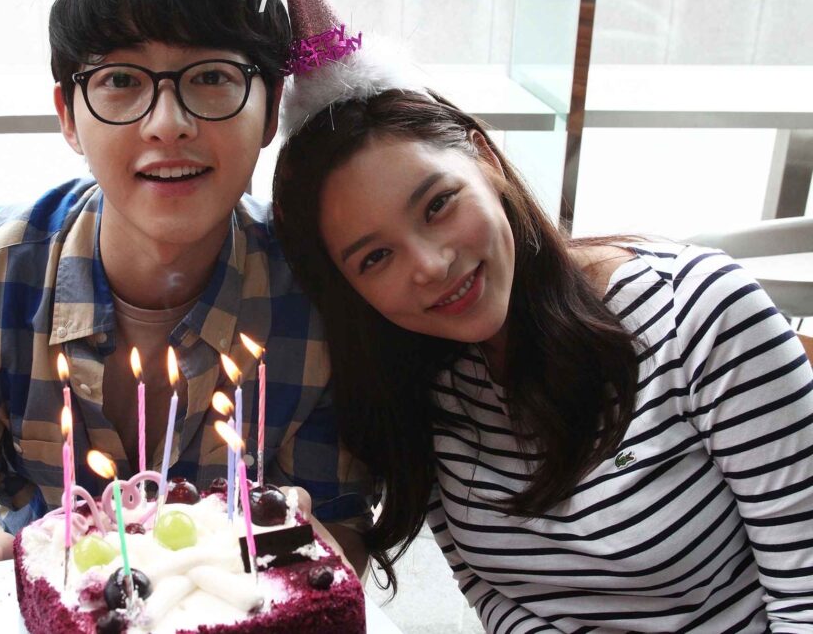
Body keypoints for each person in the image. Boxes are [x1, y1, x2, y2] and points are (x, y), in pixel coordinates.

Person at [0, 0, 373, 634]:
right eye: (120, 80)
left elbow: (340, 527)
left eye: (212, 77)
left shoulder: (324, 294)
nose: (167, 125)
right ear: (68, 116)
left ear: (271, 109)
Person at [272, 88, 813, 631]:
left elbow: (804, 594)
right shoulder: (417, 379)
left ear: (486, 160)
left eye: (437, 206)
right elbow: (490, 589)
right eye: (376, 256)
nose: (431, 266)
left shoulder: (700, 312)